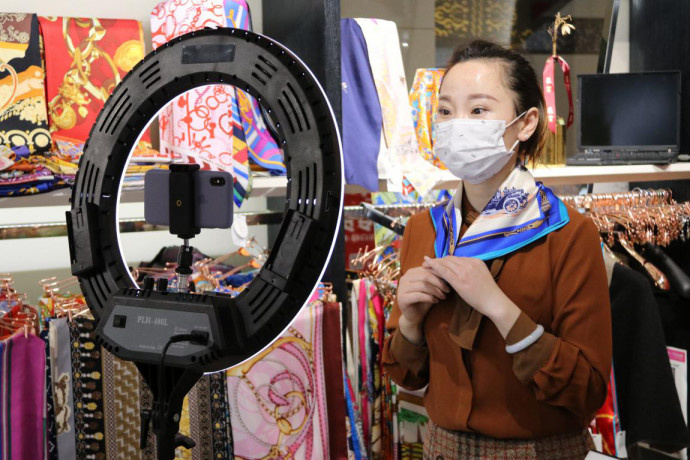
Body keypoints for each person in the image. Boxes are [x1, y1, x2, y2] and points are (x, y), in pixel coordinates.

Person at [382, 39, 612, 459]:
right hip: (441, 449)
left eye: (479, 110)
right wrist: (411, 323)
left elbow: (587, 390)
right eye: (446, 111)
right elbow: (406, 377)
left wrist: (500, 309)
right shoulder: (424, 230)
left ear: (525, 124)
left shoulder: (567, 234)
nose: (456, 124)